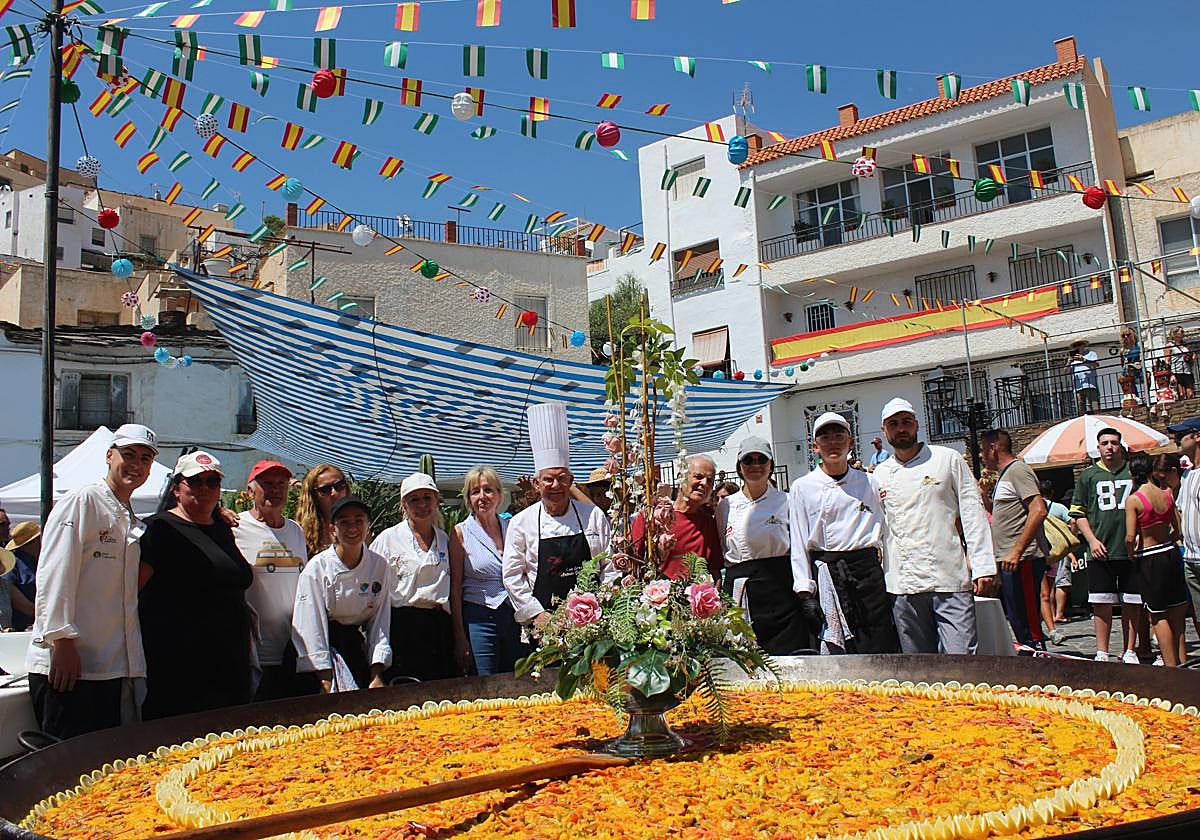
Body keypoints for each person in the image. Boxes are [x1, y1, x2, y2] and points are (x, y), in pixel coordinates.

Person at [26, 424, 159, 739]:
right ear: (109, 456)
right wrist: (62, 641)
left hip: (110, 667)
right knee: (67, 770)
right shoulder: (84, 500)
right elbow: (55, 570)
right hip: (69, 667)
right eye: (128, 455)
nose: (136, 465)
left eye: (145, 458)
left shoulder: (128, 515)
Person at [873, 398, 996, 654]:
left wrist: (983, 566)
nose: (901, 428)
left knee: (961, 658)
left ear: (917, 425)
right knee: (919, 669)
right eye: (893, 424)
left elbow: (973, 513)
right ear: (884, 432)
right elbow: (877, 527)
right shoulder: (879, 475)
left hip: (949, 578)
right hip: (902, 583)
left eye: (906, 422)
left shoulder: (947, 459)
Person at [138, 451, 253, 720]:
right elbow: (133, 592)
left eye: (212, 482)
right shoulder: (158, 529)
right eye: (195, 481)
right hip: (180, 667)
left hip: (230, 663)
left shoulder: (223, 527)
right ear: (177, 488)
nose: (205, 488)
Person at [789, 414, 899, 654]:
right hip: (827, 576)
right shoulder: (802, 487)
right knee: (836, 651)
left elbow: (888, 530)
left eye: (839, 436)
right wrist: (805, 592)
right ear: (815, 446)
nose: (833, 442)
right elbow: (798, 542)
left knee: (877, 646)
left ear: (850, 443)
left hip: (867, 576)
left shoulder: (870, 482)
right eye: (825, 437)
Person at [503, 403, 612, 631]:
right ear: (536, 484)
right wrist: (537, 614)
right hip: (544, 626)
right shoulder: (520, 523)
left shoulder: (592, 516)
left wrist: (604, 604)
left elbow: (609, 565)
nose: (555, 486)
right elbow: (513, 576)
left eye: (562, 478)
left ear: (571, 482)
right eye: (548, 480)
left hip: (595, 622)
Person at [716, 438, 810, 654]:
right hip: (742, 593)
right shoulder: (726, 506)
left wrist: (805, 592)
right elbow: (723, 546)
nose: (755, 465)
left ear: (771, 465)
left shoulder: (786, 501)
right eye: (748, 460)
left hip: (781, 590)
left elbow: (798, 547)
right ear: (739, 467)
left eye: (762, 460)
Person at [232, 460, 313, 701]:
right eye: (266, 484)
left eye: (281, 484)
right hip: (257, 654)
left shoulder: (296, 530)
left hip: (293, 650)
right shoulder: (235, 526)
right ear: (250, 491)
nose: (275, 490)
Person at [293, 496, 392, 692]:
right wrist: (325, 677)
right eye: (344, 522)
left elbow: (380, 622)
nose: (352, 528)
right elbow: (310, 625)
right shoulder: (317, 568)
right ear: (333, 530)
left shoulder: (379, 566)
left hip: (354, 648)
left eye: (358, 521)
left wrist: (376, 673)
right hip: (321, 653)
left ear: (367, 525)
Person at [371, 473, 463, 682]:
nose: (422, 504)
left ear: (436, 501)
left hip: (439, 628)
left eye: (427, 498)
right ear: (404, 504)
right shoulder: (388, 539)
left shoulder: (445, 539)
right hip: (403, 628)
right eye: (414, 499)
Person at [1071, 427, 1147, 663]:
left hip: (1129, 549)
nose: (1109, 447)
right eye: (1105, 443)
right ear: (1099, 447)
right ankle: (1102, 651)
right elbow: (1078, 512)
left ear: (1120, 445)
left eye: (1114, 442)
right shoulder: (1088, 475)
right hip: (1100, 549)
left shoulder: (1132, 472)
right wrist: (1092, 540)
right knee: (1101, 603)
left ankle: (1130, 649)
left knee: (1132, 602)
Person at [979, 429, 1048, 651]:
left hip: (1022, 558)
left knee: (1028, 621)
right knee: (1017, 617)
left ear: (993, 448)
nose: (981, 456)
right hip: (1010, 558)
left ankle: (1037, 661)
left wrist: (1017, 551)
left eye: (982, 450)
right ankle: (1029, 658)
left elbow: (1038, 509)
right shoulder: (1004, 475)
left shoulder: (1018, 471)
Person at [453, 466, 525, 675]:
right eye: (475, 492)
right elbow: (455, 588)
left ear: (499, 495)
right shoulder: (461, 533)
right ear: (468, 498)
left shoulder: (513, 526)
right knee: (486, 683)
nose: (482, 497)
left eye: (488, 490)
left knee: (517, 681)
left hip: (514, 616)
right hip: (479, 618)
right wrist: (459, 636)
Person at [1124, 452, 1190, 666]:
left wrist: (1131, 552)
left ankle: (1171, 668)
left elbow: (1129, 536)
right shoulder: (1167, 494)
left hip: (1150, 557)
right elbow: (1177, 529)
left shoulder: (1134, 500)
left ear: (1132, 474)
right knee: (1177, 613)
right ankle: (1182, 660)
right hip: (1170, 552)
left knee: (1158, 615)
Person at [632, 455, 722, 581]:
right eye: (699, 477)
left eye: (710, 481)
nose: (704, 484)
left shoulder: (709, 523)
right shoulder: (651, 516)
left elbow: (714, 570)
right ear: (681, 477)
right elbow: (634, 563)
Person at [1168, 416, 1200, 644]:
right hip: (1191, 557)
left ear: (1197, 437)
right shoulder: (1187, 475)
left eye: (1182, 435)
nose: (1177, 439)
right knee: (1197, 614)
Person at [1040, 480, 1075, 629]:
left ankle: (1050, 614)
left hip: (1043, 550)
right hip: (1059, 551)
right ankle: (1058, 613)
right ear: (1052, 492)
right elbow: (1073, 521)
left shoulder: (1034, 507)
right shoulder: (1058, 507)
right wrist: (1070, 536)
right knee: (1059, 582)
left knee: (1045, 591)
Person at [297, 464, 350, 558]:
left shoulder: (360, 527)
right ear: (314, 497)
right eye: (325, 490)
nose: (334, 493)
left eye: (339, 485)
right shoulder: (300, 534)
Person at [4, 520, 39, 630]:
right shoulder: (12, 565)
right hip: (23, 628)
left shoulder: (37, 561)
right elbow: (17, 601)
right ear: (35, 541)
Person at [1064, 338, 1100, 415]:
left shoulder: (1091, 354)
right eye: (1075, 346)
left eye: (1079, 345)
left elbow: (1095, 365)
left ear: (1084, 345)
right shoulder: (1072, 359)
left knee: (1094, 406)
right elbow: (1066, 371)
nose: (1077, 347)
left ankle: (1097, 420)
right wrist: (1069, 362)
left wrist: (1083, 360)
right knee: (1080, 409)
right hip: (1078, 387)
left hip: (1090, 385)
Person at [1166, 327, 1195, 401]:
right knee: (1181, 394)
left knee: (1190, 393)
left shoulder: (1185, 345)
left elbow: (1192, 353)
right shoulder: (1169, 345)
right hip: (1176, 371)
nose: (1183, 333)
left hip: (1187, 370)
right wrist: (1171, 374)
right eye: (1181, 331)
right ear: (1175, 333)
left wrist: (1192, 357)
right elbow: (1167, 360)